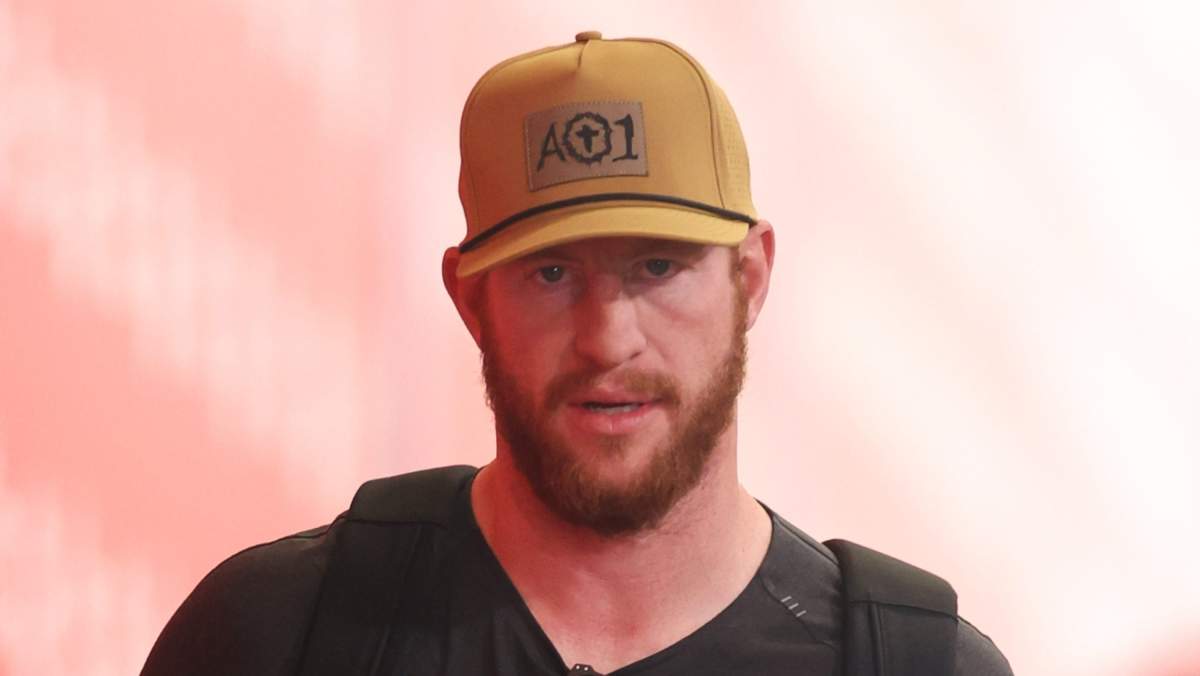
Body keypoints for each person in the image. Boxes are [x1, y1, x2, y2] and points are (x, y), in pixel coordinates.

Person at [142, 32, 1013, 676]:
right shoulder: (273, 633)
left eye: (658, 267)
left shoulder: (917, 666)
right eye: (551, 273)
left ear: (750, 277)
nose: (608, 337)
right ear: (469, 298)